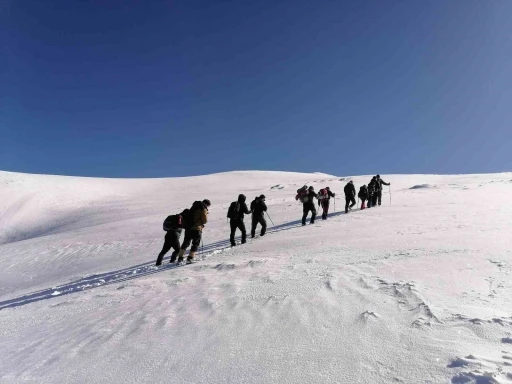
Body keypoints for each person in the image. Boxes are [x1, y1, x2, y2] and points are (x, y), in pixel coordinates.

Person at [177, 199, 211, 264]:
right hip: (196, 229)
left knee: (185, 243)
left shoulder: (193, 207)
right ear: (206, 204)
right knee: (195, 243)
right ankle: (190, 258)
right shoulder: (203, 209)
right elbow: (205, 221)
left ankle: (180, 258)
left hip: (188, 228)